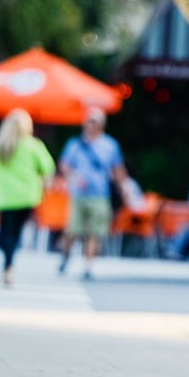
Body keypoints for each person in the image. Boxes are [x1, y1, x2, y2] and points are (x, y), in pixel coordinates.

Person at [57, 109, 127, 280]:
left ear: (101, 124)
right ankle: (65, 256)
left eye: (94, 121)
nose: (90, 125)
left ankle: (88, 266)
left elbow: (117, 169)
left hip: (100, 194)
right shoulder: (75, 144)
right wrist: (73, 176)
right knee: (72, 231)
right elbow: (64, 165)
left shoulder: (110, 145)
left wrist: (125, 188)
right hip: (79, 194)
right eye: (88, 121)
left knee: (94, 232)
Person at [0, 109, 56, 285]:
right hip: (27, 196)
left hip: (4, 195)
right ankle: (9, 263)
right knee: (16, 232)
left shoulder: (1, 145)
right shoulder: (33, 145)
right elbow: (48, 168)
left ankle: (7, 260)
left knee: (6, 230)